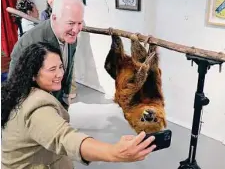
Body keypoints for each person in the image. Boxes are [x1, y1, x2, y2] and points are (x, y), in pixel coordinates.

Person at [1, 42, 156, 169]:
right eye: (52, 69)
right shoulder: (38, 107)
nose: (60, 74)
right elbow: (65, 138)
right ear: (33, 74)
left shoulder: (21, 92)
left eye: (61, 67)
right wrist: (114, 152)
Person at [9, 0, 84, 109]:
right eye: (71, 23)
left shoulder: (71, 37)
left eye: (79, 23)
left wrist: (65, 101)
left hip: (58, 104)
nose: (76, 30)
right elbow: (15, 87)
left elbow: (69, 69)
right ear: (54, 18)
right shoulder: (30, 42)